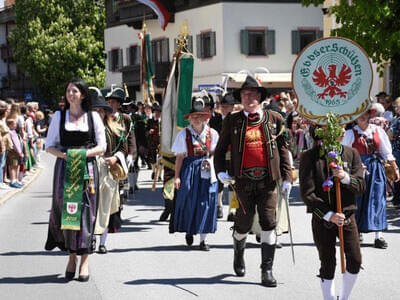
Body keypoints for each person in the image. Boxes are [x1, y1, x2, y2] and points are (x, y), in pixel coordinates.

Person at [214, 74, 292, 287]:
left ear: (260, 97)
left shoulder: (274, 119)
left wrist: (287, 177)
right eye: (246, 94)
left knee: (269, 223)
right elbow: (220, 151)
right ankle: (238, 253)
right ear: (241, 97)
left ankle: (266, 270)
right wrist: (220, 172)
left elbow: (283, 150)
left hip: (268, 181)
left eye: (254, 94)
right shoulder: (233, 120)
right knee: (243, 224)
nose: (250, 98)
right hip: (243, 181)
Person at [45, 77, 106, 282]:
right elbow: (49, 146)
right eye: (68, 91)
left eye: (75, 91)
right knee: (67, 210)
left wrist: (82, 154)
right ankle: (71, 257)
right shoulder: (59, 117)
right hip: (65, 168)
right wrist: (64, 156)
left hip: (87, 168)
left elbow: (102, 146)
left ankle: (85, 260)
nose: (71, 94)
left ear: (83, 94)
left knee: (87, 212)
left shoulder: (93, 117)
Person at [299, 126, 365, 300]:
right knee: (327, 262)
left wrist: (345, 177)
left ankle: (344, 297)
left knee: (355, 260)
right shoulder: (310, 157)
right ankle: (328, 298)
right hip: (323, 219)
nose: (341, 131)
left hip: (347, 218)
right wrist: (329, 215)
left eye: (343, 127)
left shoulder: (351, 154)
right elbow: (307, 194)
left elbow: (361, 187)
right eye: (334, 128)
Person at [342, 110, 400, 249]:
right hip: (357, 168)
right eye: (361, 115)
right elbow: (343, 154)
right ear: (355, 118)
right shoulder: (350, 134)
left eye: (367, 114)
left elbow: (386, 152)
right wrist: (351, 166)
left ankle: (378, 236)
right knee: (357, 200)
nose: (364, 118)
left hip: (375, 167)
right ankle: (357, 232)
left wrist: (395, 168)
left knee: (378, 199)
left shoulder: (378, 131)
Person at [170, 98, 219, 251]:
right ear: (189, 118)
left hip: (207, 170)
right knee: (189, 200)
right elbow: (179, 157)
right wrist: (177, 176)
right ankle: (190, 230)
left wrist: (210, 162)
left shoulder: (212, 133)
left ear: (205, 117)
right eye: (193, 117)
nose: (196, 119)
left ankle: (203, 239)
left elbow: (214, 153)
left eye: (199, 116)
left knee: (206, 202)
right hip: (189, 170)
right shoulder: (183, 134)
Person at [91, 87, 127, 254]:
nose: (98, 114)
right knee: (90, 205)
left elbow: (124, 149)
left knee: (106, 207)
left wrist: (115, 158)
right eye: (95, 110)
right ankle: (90, 238)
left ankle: (102, 242)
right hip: (90, 169)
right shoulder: (86, 130)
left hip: (108, 170)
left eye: (101, 111)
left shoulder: (114, 129)